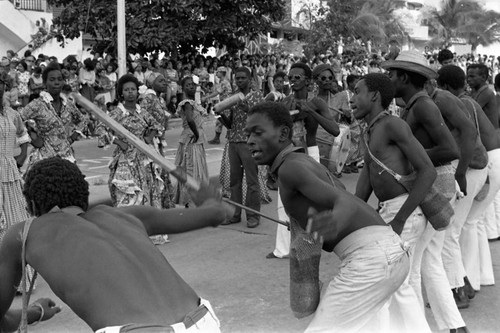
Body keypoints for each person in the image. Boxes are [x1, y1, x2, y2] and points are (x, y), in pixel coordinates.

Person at [0, 157, 232, 332]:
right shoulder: (129, 216)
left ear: (31, 204)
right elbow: (216, 213)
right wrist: (209, 198)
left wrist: (33, 312)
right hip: (201, 321)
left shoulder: (24, 232)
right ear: (83, 196)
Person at [245, 102, 411, 332]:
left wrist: (323, 229)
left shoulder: (289, 168)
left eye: (257, 132)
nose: (250, 140)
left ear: (283, 133)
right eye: (247, 134)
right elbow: (340, 191)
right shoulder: (300, 161)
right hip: (388, 253)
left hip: (373, 260)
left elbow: (343, 202)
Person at [381, 51, 470, 332]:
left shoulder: (423, 106)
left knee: (414, 268)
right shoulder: (415, 104)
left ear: (405, 78)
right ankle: (453, 326)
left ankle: (423, 326)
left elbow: (450, 149)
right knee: (427, 262)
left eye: (392, 75)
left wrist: (411, 156)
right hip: (435, 185)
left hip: (436, 186)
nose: (389, 79)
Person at [266, 62, 339, 259]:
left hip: (310, 152)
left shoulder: (317, 103)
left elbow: (335, 130)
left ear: (307, 81)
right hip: (289, 155)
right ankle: (282, 249)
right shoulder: (285, 102)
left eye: (297, 77)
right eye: (291, 77)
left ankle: (309, 245)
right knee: (283, 202)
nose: (293, 80)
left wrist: (310, 111)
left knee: (310, 202)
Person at [438, 65, 500, 295]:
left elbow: (468, 137)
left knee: (460, 227)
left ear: (441, 85)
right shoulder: (468, 100)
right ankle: (479, 277)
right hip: (490, 160)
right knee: (473, 223)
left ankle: (465, 283)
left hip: (484, 161)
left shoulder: (462, 102)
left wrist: (460, 172)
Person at [99, 74, 168, 245]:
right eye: (127, 90)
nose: (130, 93)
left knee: (148, 193)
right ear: (121, 93)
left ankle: (147, 231)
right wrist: (118, 142)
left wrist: (149, 137)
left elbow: (159, 125)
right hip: (125, 160)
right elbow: (101, 130)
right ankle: (128, 233)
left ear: (138, 92)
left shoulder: (142, 112)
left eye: (133, 90)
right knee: (128, 194)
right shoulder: (116, 113)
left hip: (144, 159)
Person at [217, 67, 263, 228]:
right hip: (234, 142)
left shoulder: (256, 96)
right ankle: (235, 214)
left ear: (250, 80)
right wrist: (221, 115)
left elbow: (261, 119)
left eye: (243, 78)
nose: (240, 81)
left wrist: (248, 109)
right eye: (237, 78)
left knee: (251, 181)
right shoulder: (233, 97)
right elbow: (230, 124)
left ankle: (253, 215)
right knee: (234, 181)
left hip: (249, 142)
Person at [20, 62, 86, 172]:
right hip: (44, 158)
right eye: (52, 80)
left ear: (63, 82)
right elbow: (17, 120)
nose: (56, 83)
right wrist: (32, 137)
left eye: (59, 79)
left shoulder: (68, 104)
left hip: (66, 157)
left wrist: (72, 138)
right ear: (45, 83)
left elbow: (82, 120)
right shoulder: (37, 104)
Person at [140, 72, 175, 209]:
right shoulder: (148, 98)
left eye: (165, 81)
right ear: (151, 83)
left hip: (158, 141)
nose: (165, 83)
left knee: (162, 171)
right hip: (151, 141)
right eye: (161, 81)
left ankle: (164, 203)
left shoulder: (159, 99)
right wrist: (149, 135)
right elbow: (141, 115)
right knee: (155, 171)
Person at [174, 76, 209, 206]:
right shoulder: (187, 103)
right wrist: (195, 133)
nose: (191, 87)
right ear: (183, 88)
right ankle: (190, 201)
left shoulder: (194, 103)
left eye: (193, 85)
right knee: (192, 170)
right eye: (188, 85)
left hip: (195, 139)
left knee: (195, 169)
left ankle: (194, 200)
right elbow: (189, 119)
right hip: (191, 140)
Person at [467, 63, 498, 128]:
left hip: (491, 134)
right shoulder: (474, 91)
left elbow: (470, 111)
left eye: (472, 76)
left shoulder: (486, 93)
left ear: (483, 77)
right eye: (468, 76)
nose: (468, 79)